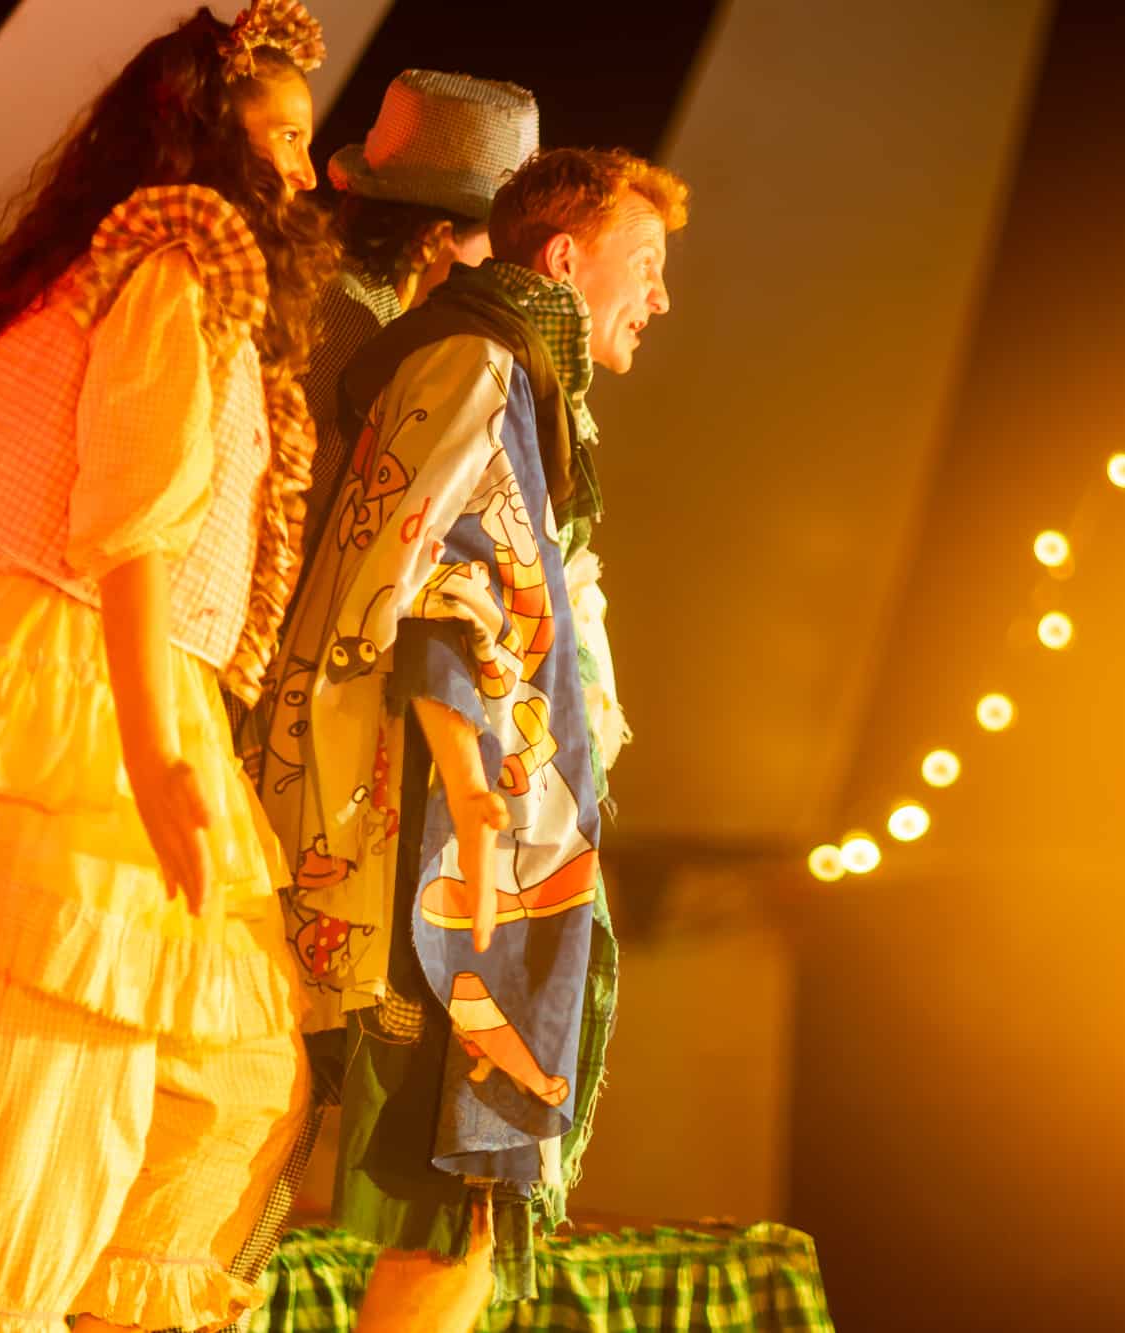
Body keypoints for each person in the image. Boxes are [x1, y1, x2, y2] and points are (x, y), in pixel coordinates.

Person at [0, 3, 336, 1329]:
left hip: (148, 681)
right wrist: (150, 754)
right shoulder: (176, 272)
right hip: (96, 677)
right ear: (210, 136)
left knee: (237, 1076)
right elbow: (127, 532)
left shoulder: (217, 291)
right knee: (76, 1069)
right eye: (287, 139)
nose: (302, 173)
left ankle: (115, 1310)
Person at [246, 146, 684, 1331]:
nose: (659, 297)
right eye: (641, 266)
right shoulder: (478, 360)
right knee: (455, 1190)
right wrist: (472, 783)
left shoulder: (508, 372)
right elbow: (435, 573)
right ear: (560, 258)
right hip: (441, 845)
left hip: (462, 829)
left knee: (430, 1186)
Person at [297, 69, 540, 573]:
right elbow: (307, 498)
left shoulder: (362, 304)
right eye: (492, 251)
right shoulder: (352, 313)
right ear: (435, 237)